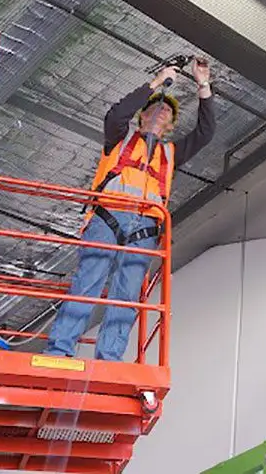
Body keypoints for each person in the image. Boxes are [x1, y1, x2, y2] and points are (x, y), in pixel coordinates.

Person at [44, 59, 214, 361]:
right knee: (88, 284)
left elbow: (205, 133)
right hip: (106, 219)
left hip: (145, 230)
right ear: (142, 115)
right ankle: (60, 350)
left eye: (167, 112)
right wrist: (157, 81)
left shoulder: (170, 153)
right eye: (155, 107)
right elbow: (116, 114)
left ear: (171, 125)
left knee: (127, 296)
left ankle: (108, 357)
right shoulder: (119, 139)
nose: (162, 110)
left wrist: (203, 84)